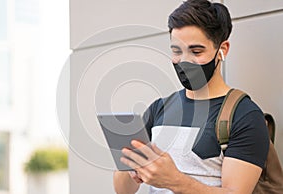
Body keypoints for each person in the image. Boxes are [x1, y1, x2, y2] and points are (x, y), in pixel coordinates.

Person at [113, 0, 269, 193]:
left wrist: (175, 180)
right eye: (177, 51)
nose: (185, 61)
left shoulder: (244, 115)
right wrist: (131, 169)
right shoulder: (159, 108)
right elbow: (123, 190)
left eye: (196, 51)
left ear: (223, 50)